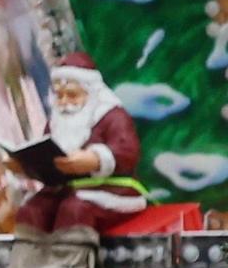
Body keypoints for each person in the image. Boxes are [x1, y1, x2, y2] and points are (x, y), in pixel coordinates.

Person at [15, 59, 148, 232]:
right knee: (31, 211)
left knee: (74, 210)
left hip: (112, 189)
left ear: (91, 93)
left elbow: (128, 151)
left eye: (72, 95)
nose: (64, 102)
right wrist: (26, 165)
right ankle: (28, 257)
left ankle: (69, 259)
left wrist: (96, 159)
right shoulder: (56, 122)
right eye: (59, 95)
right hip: (64, 190)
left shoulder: (112, 116)